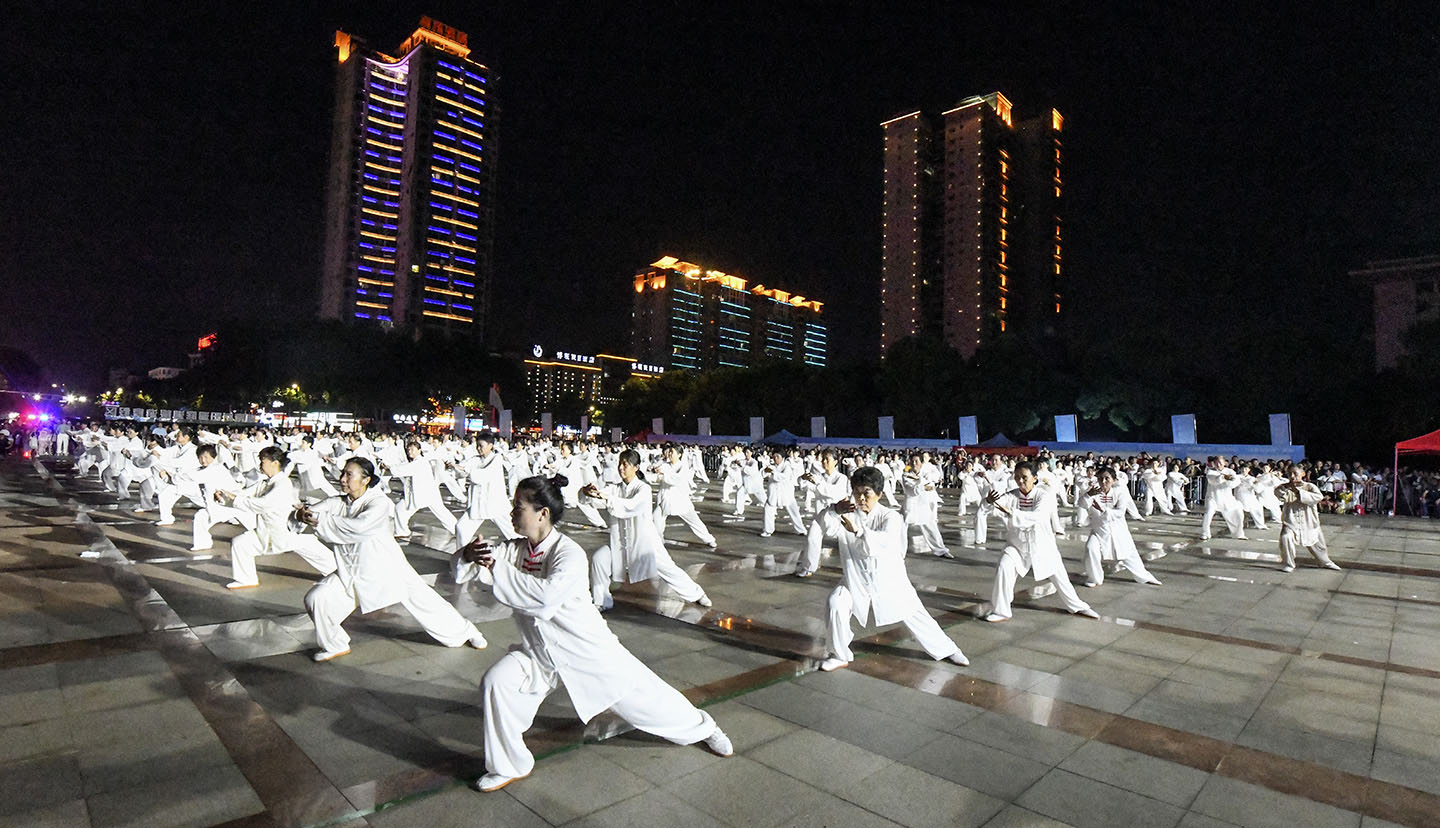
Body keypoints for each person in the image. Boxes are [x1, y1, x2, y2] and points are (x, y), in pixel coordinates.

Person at [455, 475, 732, 792]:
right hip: (539, 652)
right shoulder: (515, 549)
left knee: (646, 698)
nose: (511, 512)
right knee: (496, 683)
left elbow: (544, 599)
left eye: (518, 507)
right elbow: (476, 561)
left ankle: (702, 727)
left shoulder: (568, 554)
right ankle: (509, 764)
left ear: (542, 513)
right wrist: (468, 555)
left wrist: (497, 569)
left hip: (587, 649)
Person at [297, 458, 488, 662]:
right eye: (342, 473)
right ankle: (335, 644)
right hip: (351, 572)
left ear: (365, 480)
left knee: (425, 602)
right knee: (317, 598)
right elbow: (313, 511)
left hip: (387, 567)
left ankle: (467, 632)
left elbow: (358, 527)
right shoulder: (338, 502)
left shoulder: (377, 503)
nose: (342, 479)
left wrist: (320, 520)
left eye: (348, 474)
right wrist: (302, 514)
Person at [812, 466, 969, 672]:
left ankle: (947, 649)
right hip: (856, 577)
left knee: (915, 614)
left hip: (889, 578)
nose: (860, 498)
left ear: (878, 493)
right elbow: (826, 527)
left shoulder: (890, 517)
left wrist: (858, 530)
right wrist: (833, 510)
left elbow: (883, 544)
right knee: (836, 602)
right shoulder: (848, 513)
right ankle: (839, 654)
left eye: (866, 492)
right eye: (856, 492)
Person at [583, 450, 712, 611]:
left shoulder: (643, 489)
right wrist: (589, 493)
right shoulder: (615, 488)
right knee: (599, 558)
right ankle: (602, 601)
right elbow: (600, 499)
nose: (621, 468)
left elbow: (630, 506)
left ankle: (697, 594)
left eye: (625, 464)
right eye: (620, 464)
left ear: (636, 467)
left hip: (645, 542)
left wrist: (606, 497)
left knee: (668, 569)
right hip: (621, 542)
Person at [984, 462, 1099, 622]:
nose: (1020, 481)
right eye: (1017, 478)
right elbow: (992, 508)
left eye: (1024, 477)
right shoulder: (1011, 495)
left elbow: (1037, 516)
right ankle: (1002, 610)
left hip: (1043, 545)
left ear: (1035, 478)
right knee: (1004, 567)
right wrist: (988, 502)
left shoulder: (1043, 496)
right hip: (1017, 545)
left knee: (1060, 578)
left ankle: (1077, 606)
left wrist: (1011, 512)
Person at [213, 446, 339, 589]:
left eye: (263, 461)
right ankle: (245, 579)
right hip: (266, 533)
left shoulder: (282, 483)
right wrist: (224, 495)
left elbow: (263, 505)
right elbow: (244, 493)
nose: (260, 465)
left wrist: (234, 498)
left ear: (274, 463)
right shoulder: (266, 482)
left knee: (315, 551)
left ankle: (342, 574)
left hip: (283, 531)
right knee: (240, 543)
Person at [1081, 468, 1162, 587]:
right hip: (1099, 531)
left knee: (1129, 555)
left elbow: (1119, 512)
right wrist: (1088, 495)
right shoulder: (1093, 492)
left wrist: (1102, 509)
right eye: (1100, 479)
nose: (1103, 481)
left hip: (1119, 531)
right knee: (1090, 548)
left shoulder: (1120, 493)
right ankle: (1095, 578)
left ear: (1114, 480)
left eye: (1107, 478)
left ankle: (1144, 576)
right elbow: (1082, 504)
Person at [1275, 467, 1342, 572]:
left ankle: (1325, 562)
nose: (1292, 476)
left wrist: (1297, 492)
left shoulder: (1310, 486)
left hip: (1309, 520)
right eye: (1289, 474)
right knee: (1286, 537)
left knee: (1318, 544)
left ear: (1303, 474)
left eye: (1295, 473)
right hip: (1291, 520)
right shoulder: (1283, 487)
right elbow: (1281, 495)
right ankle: (1289, 564)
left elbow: (1318, 497)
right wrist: (1289, 489)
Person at [794, 450, 850, 577]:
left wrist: (817, 483)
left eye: (828, 459)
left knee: (846, 544)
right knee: (812, 537)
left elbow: (834, 492)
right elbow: (804, 486)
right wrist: (803, 478)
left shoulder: (841, 478)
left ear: (836, 462)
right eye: (823, 459)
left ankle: (853, 569)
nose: (824, 462)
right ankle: (808, 568)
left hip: (838, 517)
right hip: (821, 516)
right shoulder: (818, 477)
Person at [650, 445, 717, 546]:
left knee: (694, 521)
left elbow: (675, 479)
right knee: (656, 518)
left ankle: (709, 539)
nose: (670, 454)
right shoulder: (665, 465)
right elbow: (657, 476)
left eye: (672, 452)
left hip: (680, 499)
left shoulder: (683, 467)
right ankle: (659, 541)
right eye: (669, 452)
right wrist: (652, 473)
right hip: (665, 499)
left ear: (679, 454)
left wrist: (663, 475)